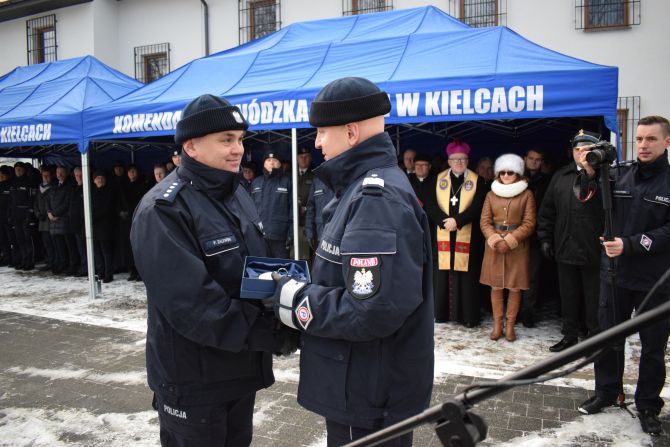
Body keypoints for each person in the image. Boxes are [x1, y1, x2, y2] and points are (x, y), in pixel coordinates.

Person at [270, 77, 434, 446]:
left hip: (365, 390)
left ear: (351, 132)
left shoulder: (374, 199)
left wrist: (295, 301)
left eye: (322, 132)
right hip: (361, 382)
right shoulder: (362, 189)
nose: (316, 143)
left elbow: (370, 310)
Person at [131, 94, 297, 447]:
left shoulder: (236, 193)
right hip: (194, 380)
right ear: (191, 146)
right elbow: (195, 305)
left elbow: (252, 271)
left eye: (239, 139)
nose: (238, 149)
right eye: (226, 140)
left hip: (238, 370)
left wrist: (291, 302)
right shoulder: (163, 210)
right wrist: (272, 334)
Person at [577, 116, 670, 436]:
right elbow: (586, 200)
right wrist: (589, 172)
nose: (643, 145)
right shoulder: (619, 173)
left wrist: (630, 245)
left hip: (654, 281)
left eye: (651, 139)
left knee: (653, 347)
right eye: (640, 139)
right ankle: (607, 391)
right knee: (607, 338)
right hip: (614, 276)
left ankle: (647, 404)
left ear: (666, 142)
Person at [537, 132, 603, 352]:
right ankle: (569, 336)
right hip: (565, 246)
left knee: (594, 298)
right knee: (568, 296)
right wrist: (545, 238)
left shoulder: (607, 176)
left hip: (594, 249)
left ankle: (595, 338)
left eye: (586, 150)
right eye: (577, 150)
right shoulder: (561, 176)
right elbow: (547, 211)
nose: (581, 153)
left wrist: (593, 174)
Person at [424, 139, 486, 327]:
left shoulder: (478, 181)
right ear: (449, 161)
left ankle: (467, 316)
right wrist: (445, 221)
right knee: (442, 273)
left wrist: (457, 221)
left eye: (463, 159)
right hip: (443, 232)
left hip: (468, 234)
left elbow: (478, 207)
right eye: (455, 159)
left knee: (467, 276)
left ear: (468, 160)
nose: (459, 162)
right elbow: (430, 204)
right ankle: (442, 313)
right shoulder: (437, 179)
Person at [479, 154, 536, 341]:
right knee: (495, 287)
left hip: (517, 248)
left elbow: (529, 223)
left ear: (518, 174)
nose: (505, 175)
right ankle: (497, 326)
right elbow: (484, 221)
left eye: (510, 172)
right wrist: (495, 239)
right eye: (502, 172)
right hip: (494, 246)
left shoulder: (527, 194)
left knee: (514, 288)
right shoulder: (490, 194)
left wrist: (510, 240)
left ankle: (510, 326)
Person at [521, 147, 552, 328]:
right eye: (531, 158)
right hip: (515, 236)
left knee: (532, 276)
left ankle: (528, 312)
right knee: (514, 275)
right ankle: (514, 311)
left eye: (538, 159)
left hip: (535, 236)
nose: (534, 162)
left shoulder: (547, 181)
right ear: (525, 159)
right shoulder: (513, 177)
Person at [250, 150, 293, 258]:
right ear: (264, 163)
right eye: (268, 160)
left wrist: (291, 233)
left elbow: (293, 209)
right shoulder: (256, 182)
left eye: (275, 160)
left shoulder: (287, 182)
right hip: (259, 236)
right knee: (261, 270)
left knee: (281, 270)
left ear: (280, 163)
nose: (272, 162)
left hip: (280, 236)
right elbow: (249, 209)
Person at [48, 166, 79, 276]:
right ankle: (62, 263)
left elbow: (67, 203)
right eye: (57, 172)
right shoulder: (54, 186)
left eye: (61, 172)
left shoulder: (70, 186)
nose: (59, 174)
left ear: (66, 173)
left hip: (65, 222)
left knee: (70, 246)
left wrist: (55, 214)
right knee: (59, 246)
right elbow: (48, 200)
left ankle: (73, 265)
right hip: (54, 223)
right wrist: (49, 212)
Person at [9, 162, 38, 270]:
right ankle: (23, 259)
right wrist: (10, 214)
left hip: (26, 214)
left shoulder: (29, 182)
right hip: (16, 215)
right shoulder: (13, 183)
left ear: (24, 170)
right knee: (19, 238)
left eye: (20, 169)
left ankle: (30, 261)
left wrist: (30, 213)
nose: (18, 171)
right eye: (16, 169)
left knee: (28, 238)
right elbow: (10, 201)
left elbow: (32, 199)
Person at [123, 164, 148, 281]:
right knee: (129, 247)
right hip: (127, 219)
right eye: (130, 171)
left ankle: (140, 271)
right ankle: (132, 270)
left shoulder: (142, 185)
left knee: (139, 245)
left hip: (139, 217)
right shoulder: (124, 185)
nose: (132, 174)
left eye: (134, 171)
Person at [34, 166, 55, 272]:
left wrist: (47, 213)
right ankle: (49, 260)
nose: (45, 177)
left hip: (50, 220)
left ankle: (54, 261)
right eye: (43, 175)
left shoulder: (53, 188)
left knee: (52, 243)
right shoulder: (40, 188)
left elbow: (53, 204)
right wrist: (37, 213)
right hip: (42, 221)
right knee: (46, 242)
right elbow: (36, 203)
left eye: (47, 175)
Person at [68, 166, 87, 277]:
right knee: (79, 247)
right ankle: (82, 266)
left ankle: (86, 267)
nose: (79, 177)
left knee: (85, 247)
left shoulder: (88, 187)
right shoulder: (73, 188)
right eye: (77, 175)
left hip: (84, 223)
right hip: (75, 223)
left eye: (80, 175)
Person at [296, 146, 314, 260]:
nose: (303, 159)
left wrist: (306, 208)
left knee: (308, 254)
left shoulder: (315, 175)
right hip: (293, 219)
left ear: (310, 158)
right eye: (301, 157)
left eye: (306, 157)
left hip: (308, 219)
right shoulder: (290, 174)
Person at [0, 165, 15, 266]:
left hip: (9, 216)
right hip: (1, 216)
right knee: (2, 238)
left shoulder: (11, 185)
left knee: (11, 238)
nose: (0, 177)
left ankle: (14, 257)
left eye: (2, 175)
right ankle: (6, 256)